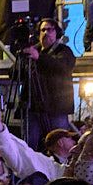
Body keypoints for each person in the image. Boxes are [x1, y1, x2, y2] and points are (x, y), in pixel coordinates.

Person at [22, 19, 75, 150]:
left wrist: (39, 58)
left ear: (57, 33)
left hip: (56, 108)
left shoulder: (64, 51)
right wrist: (22, 59)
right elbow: (13, 72)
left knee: (60, 145)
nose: (46, 33)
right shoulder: (33, 51)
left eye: (50, 29)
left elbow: (61, 67)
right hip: (33, 107)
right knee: (30, 147)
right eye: (43, 30)